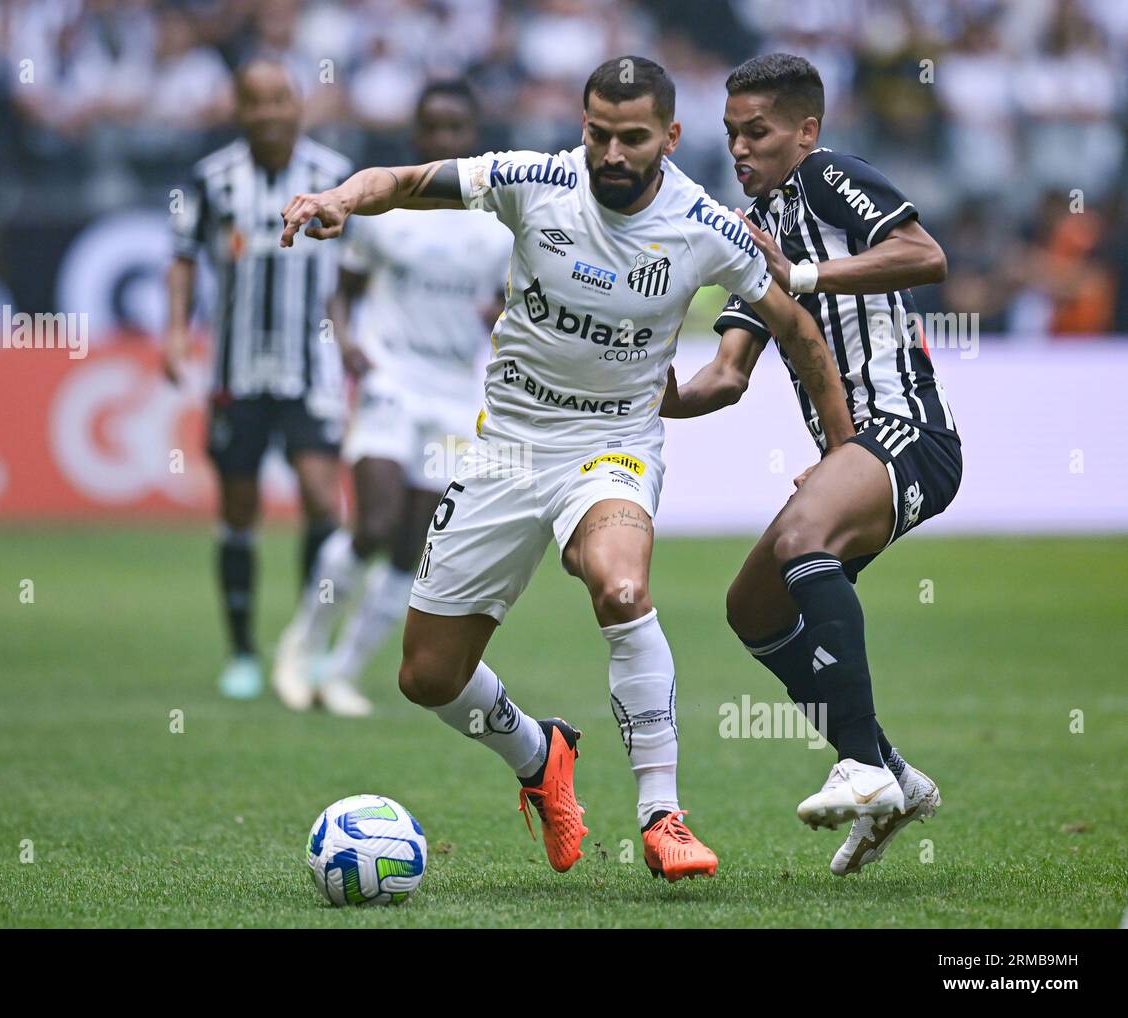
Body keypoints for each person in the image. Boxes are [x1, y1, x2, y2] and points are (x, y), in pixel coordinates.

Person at [279, 56, 853, 880]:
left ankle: (664, 814)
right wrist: (339, 198)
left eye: (632, 138)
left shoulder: (705, 226)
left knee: (620, 586)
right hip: (507, 444)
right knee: (427, 676)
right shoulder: (534, 180)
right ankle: (538, 755)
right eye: (598, 134)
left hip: (613, 445)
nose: (612, 154)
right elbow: (403, 179)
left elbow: (799, 332)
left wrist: (837, 454)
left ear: (670, 137)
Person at [671, 53, 960, 875]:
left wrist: (802, 274)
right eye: (730, 134)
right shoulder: (753, 231)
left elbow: (923, 252)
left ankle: (863, 769)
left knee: (804, 540)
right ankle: (893, 773)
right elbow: (725, 377)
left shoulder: (829, 179)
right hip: (854, 449)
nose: (739, 149)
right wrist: (649, 389)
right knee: (752, 607)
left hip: (910, 431)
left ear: (806, 130)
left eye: (756, 131)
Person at [272, 80, 511, 716]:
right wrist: (347, 345)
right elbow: (342, 291)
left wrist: (499, 317)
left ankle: (340, 672)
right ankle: (303, 641)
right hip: (391, 381)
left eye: (457, 129)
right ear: (419, 137)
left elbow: (509, 302)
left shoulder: (495, 228)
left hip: (455, 394)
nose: (445, 139)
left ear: (471, 139)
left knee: (415, 544)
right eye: (434, 128)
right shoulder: (386, 215)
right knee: (372, 523)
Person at [165, 59, 351, 700]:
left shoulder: (333, 176)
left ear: (298, 104)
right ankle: (243, 652)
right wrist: (173, 333)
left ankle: (309, 644)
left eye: (280, 99)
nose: (269, 112)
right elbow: (183, 259)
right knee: (239, 508)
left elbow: (355, 270)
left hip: (313, 368)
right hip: (235, 372)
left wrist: (352, 337)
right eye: (256, 101)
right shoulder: (212, 180)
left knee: (324, 499)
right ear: (238, 109)